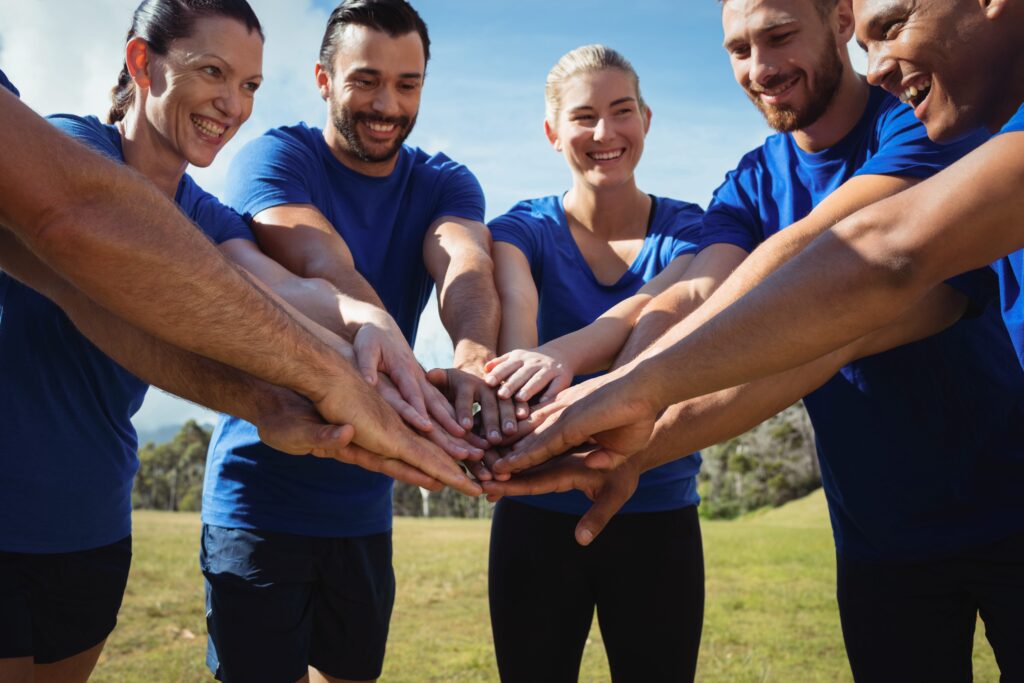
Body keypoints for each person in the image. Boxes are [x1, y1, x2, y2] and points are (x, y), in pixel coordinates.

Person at [489, 0, 1024, 679]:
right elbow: (694, 295)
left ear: (837, 21)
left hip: (1009, 508)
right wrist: (622, 407)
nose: (760, 68)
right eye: (739, 50)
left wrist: (632, 395)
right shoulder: (750, 181)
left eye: (778, 37)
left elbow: (838, 261)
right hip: (881, 541)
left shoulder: (928, 113)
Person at [0, 3, 478, 681]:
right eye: (212, 72)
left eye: (250, 85)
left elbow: (276, 287)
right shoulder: (70, 152)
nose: (231, 103)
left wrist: (362, 317)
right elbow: (87, 228)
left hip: (88, 529)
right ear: (142, 62)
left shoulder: (207, 216)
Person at [200, 2, 501, 681]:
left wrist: (474, 353)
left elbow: (464, 263)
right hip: (260, 499)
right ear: (323, 78)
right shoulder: (277, 157)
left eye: (407, 84)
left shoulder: (444, 181)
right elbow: (321, 263)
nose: (386, 104)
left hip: (364, 510)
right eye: (366, 80)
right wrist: (389, 336)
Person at [486, 45, 705, 683]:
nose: (604, 133)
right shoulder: (521, 230)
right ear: (553, 132)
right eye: (584, 117)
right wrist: (524, 369)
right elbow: (518, 320)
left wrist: (564, 358)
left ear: (647, 119)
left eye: (622, 111)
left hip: (660, 515)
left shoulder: (690, 231)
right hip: (534, 520)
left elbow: (659, 311)